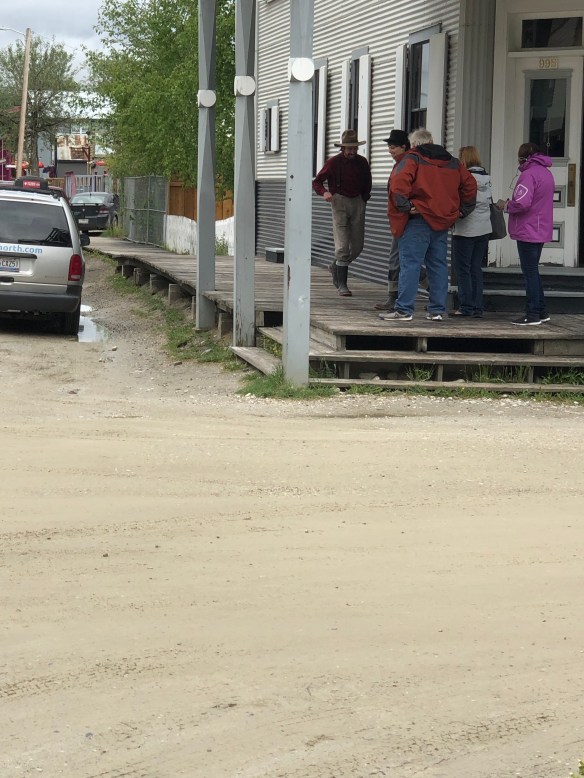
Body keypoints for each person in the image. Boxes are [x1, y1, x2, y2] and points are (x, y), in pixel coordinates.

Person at [380, 128, 477, 322]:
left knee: (410, 264)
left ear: (414, 144)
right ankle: (436, 310)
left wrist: (405, 206)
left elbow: (398, 183)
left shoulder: (412, 159)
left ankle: (404, 310)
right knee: (438, 265)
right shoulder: (453, 162)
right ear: (431, 141)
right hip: (441, 221)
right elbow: (470, 185)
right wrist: (462, 210)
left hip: (418, 219)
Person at [312, 129, 372, 297]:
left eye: (355, 148)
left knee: (357, 247)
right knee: (342, 245)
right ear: (343, 148)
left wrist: (364, 199)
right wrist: (325, 192)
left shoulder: (362, 162)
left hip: (358, 201)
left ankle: (335, 266)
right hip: (339, 202)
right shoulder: (333, 162)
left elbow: (368, 182)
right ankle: (342, 284)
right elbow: (317, 182)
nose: (352, 151)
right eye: (349, 148)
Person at [504, 142, 554, 326]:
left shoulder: (528, 174)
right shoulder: (546, 173)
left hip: (528, 228)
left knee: (530, 272)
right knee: (533, 271)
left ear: (523, 157)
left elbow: (522, 203)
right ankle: (541, 311)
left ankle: (532, 314)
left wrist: (506, 205)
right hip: (541, 227)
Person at [450, 146, 492, 318]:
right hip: (484, 228)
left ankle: (466, 307)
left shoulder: (465, 178)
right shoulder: (486, 178)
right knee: (476, 268)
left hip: (465, 229)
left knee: (462, 269)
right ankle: (477, 307)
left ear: (464, 159)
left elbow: (459, 201)